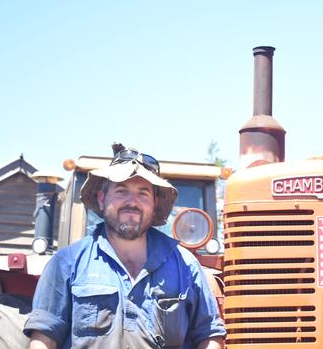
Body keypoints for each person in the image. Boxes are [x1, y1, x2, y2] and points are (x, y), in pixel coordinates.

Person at [24, 149, 226, 349]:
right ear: (102, 199)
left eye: (143, 193)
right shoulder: (67, 263)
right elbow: (43, 338)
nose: (132, 202)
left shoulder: (185, 265)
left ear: (154, 204)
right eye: (121, 191)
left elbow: (209, 335)